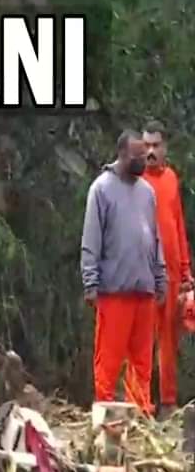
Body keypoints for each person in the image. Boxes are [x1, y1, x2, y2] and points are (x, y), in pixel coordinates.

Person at [81, 130, 168, 415]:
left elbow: (155, 239)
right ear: (121, 154)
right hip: (114, 290)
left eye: (145, 155)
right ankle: (105, 418)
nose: (144, 160)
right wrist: (90, 283)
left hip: (144, 290)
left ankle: (140, 415)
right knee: (108, 361)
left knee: (143, 362)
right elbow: (91, 240)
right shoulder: (101, 189)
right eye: (137, 155)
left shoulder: (147, 192)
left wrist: (160, 276)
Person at [143, 120, 191, 419]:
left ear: (164, 148)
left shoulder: (172, 178)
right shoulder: (135, 181)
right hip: (146, 272)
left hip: (173, 274)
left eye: (155, 145)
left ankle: (168, 403)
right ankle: (142, 403)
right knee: (144, 339)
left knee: (169, 341)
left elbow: (178, 224)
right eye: (146, 145)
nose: (150, 151)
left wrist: (186, 271)